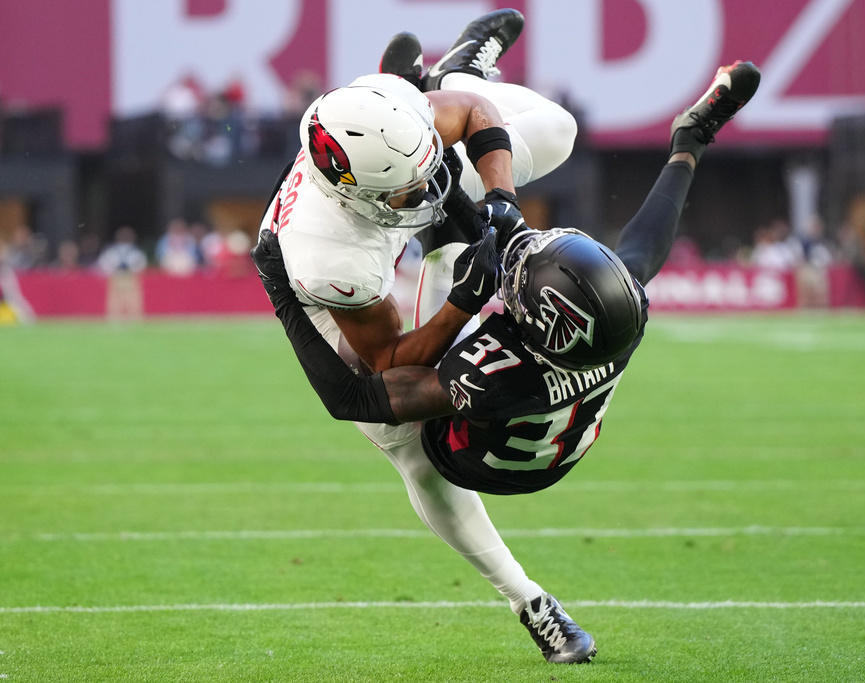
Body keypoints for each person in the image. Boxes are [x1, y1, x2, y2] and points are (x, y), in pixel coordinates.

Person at [254, 57, 761, 661]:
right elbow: (639, 249)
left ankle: (529, 601)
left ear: (513, 314)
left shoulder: (479, 364)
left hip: (489, 447)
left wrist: (469, 269)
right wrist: (501, 207)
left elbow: (366, 389)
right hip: (355, 252)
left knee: (412, 449)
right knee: (532, 160)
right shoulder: (616, 314)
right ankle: (458, 70)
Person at [256, 9, 587, 664]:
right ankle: (529, 599)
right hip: (336, 291)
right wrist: (462, 304)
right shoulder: (330, 257)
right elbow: (386, 361)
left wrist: (499, 202)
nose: (428, 188)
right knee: (410, 445)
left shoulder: (389, 116)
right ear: (363, 195)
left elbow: (469, 115)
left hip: (391, 155)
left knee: (558, 131)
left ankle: (456, 64)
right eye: (410, 191)